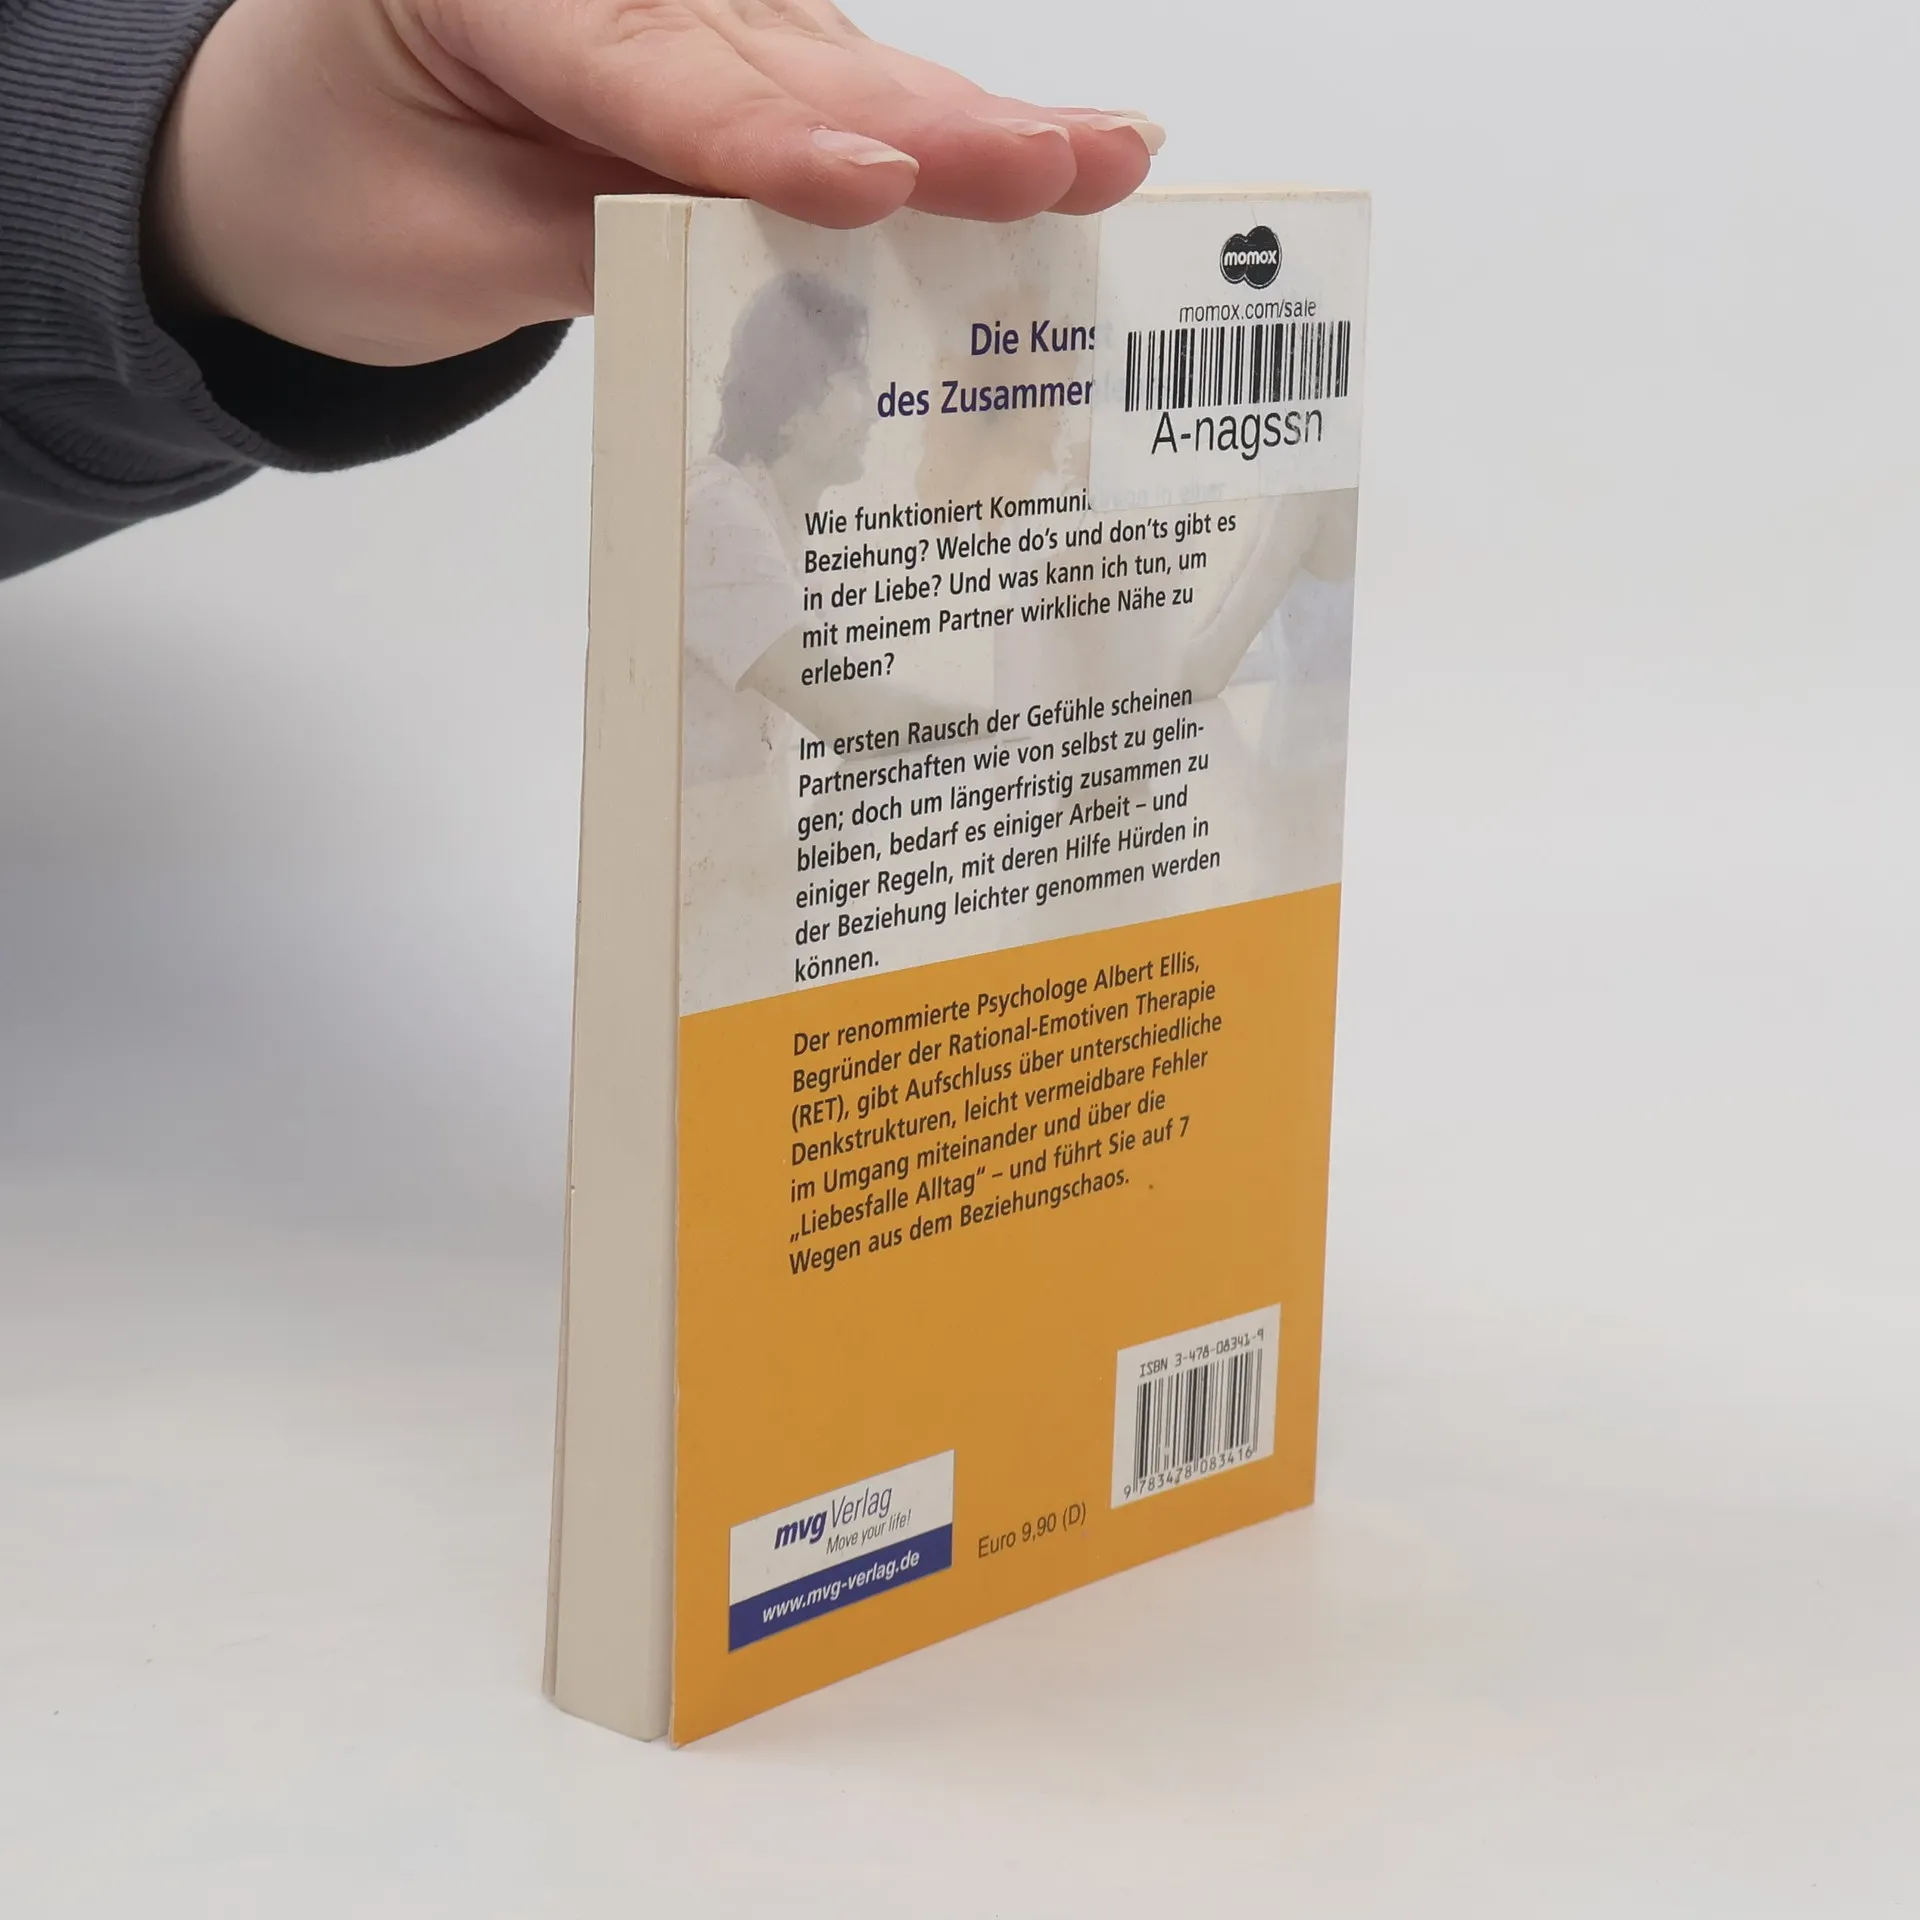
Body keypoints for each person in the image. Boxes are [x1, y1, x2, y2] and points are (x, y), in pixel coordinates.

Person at [0, 0, 1161, 581]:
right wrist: (138, 193)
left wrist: (150, 209)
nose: (875, 408)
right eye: (860, 383)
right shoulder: (738, 521)